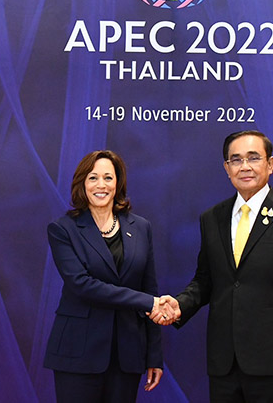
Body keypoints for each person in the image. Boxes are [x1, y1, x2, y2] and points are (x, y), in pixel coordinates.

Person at [155, 130, 273, 402]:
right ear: (226, 168)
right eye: (236, 160)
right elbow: (205, 280)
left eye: (253, 158)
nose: (244, 166)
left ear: (270, 164)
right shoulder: (212, 218)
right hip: (224, 362)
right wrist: (180, 305)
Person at [44, 150, 170, 402]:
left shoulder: (141, 227)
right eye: (93, 178)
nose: (101, 185)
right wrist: (149, 303)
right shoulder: (63, 229)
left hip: (127, 355)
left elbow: (149, 288)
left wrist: (154, 356)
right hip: (78, 353)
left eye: (108, 178)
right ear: (82, 183)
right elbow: (82, 285)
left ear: (118, 183)